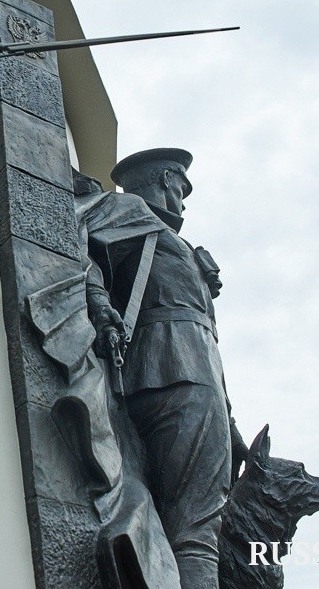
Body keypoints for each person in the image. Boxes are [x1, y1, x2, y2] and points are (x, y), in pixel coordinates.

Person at [79, 149, 244, 589]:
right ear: (169, 179)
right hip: (176, 369)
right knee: (197, 530)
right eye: (183, 188)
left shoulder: (170, 239)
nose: (184, 200)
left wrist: (231, 424)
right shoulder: (130, 212)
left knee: (182, 526)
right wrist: (97, 302)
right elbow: (79, 241)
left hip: (185, 374)